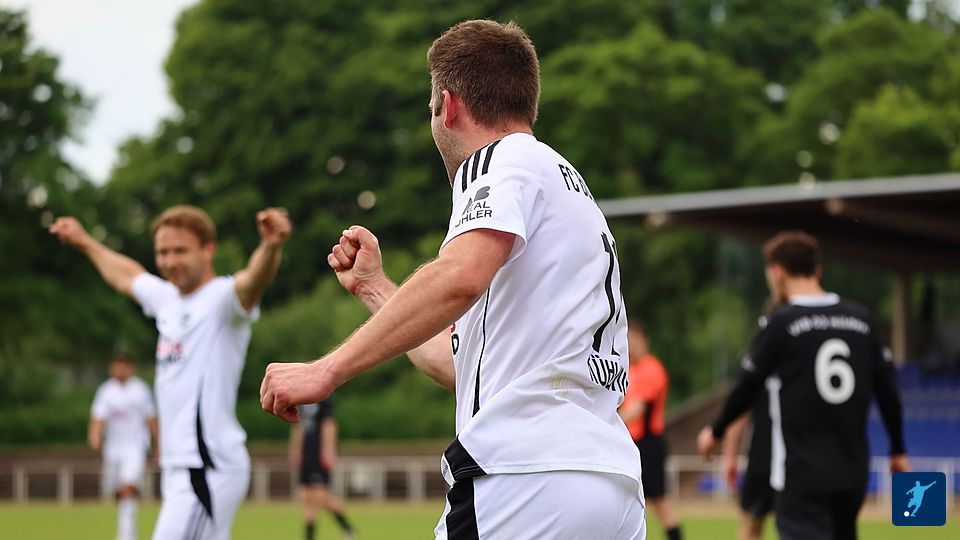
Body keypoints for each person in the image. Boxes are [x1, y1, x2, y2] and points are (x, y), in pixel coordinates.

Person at [259, 19, 645, 539]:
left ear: (448, 105)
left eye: (430, 107)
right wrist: (376, 288)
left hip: (525, 477)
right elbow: (469, 369)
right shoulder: (567, 185)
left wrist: (325, 371)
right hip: (607, 481)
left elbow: (460, 275)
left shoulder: (499, 161)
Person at [51, 205, 291, 539]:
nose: (170, 261)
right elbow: (126, 276)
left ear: (208, 249)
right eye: (163, 252)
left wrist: (270, 246)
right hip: (180, 466)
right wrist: (84, 241)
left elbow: (253, 280)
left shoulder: (222, 299)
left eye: (180, 251)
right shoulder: (167, 299)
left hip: (206, 465)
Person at [697, 231, 911, 540]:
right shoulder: (862, 320)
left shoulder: (783, 323)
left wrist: (715, 431)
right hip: (852, 473)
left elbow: (747, 386)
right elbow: (888, 391)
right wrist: (898, 450)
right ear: (817, 271)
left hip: (801, 474)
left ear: (777, 272)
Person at [720, 299, 782, 540]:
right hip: (800, 455)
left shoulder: (756, 357)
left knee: (750, 527)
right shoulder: (809, 353)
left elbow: (740, 411)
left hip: (765, 456)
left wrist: (730, 457)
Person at [619, 322, 682, 540]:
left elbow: (637, 409)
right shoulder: (628, 369)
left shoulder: (652, 369)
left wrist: (606, 422)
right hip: (630, 441)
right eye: (627, 338)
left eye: (634, 338)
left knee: (659, 503)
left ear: (645, 341)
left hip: (648, 443)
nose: (630, 343)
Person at [89, 354, 158, 540]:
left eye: (123, 366)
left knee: (128, 486)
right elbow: (98, 417)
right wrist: (95, 435)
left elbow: (151, 418)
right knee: (118, 491)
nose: (119, 370)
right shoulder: (106, 391)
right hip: (113, 448)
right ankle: (128, 530)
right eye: (116, 366)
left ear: (130, 368)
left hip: (135, 447)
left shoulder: (140, 390)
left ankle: (126, 535)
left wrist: (158, 443)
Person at [289, 398, 355, 540]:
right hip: (306, 456)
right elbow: (297, 425)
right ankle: (312, 536)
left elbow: (329, 424)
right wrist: (295, 450)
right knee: (307, 497)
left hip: (318, 455)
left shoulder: (323, 397)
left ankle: (348, 529)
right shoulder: (301, 398)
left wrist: (328, 451)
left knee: (320, 496)